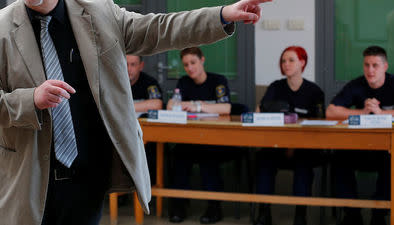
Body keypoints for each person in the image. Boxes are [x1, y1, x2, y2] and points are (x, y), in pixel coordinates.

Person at [0, 0, 273, 225]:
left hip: (88, 177)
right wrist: (31, 99)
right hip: (28, 181)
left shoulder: (98, 13)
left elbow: (160, 29)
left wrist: (222, 15)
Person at [253, 46, 324, 225]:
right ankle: (264, 212)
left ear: (302, 62)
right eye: (283, 61)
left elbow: (319, 125)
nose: (286, 64)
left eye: (291, 60)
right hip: (276, 145)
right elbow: (260, 112)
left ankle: (300, 214)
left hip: (304, 148)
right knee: (263, 161)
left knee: (303, 165)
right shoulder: (275, 87)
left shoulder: (314, 91)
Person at [167, 47, 236, 224]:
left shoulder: (217, 81)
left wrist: (197, 105)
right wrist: (181, 104)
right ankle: (179, 205)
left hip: (214, 139)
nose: (190, 68)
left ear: (202, 60)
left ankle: (214, 207)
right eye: (186, 65)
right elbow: (171, 106)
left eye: (193, 63)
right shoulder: (184, 82)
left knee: (208, 157)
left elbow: (226, 108)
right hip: (189, 139)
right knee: (178, 157)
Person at [326, 46, 393, 225]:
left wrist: (380, 113)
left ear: (385, 66)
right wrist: (363, 112)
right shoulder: (356, 85)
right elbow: (331, 112)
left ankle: (379, 213)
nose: (370, 70)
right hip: (360, 149)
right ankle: (351, 213)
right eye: (366, 65)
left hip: (386, 150)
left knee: (391, 160)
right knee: (339, 157)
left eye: (375, 65)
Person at [127, 54, 162, 185]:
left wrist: (125, 107)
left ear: (141, 66)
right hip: (122, 133)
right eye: (125, 64)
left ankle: (150, 189)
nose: (128, 68)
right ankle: (120, 197)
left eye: (133, 64)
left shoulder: (149, 83)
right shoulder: (115, 82)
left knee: (152, 150)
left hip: (144, 134)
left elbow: (157, 104)